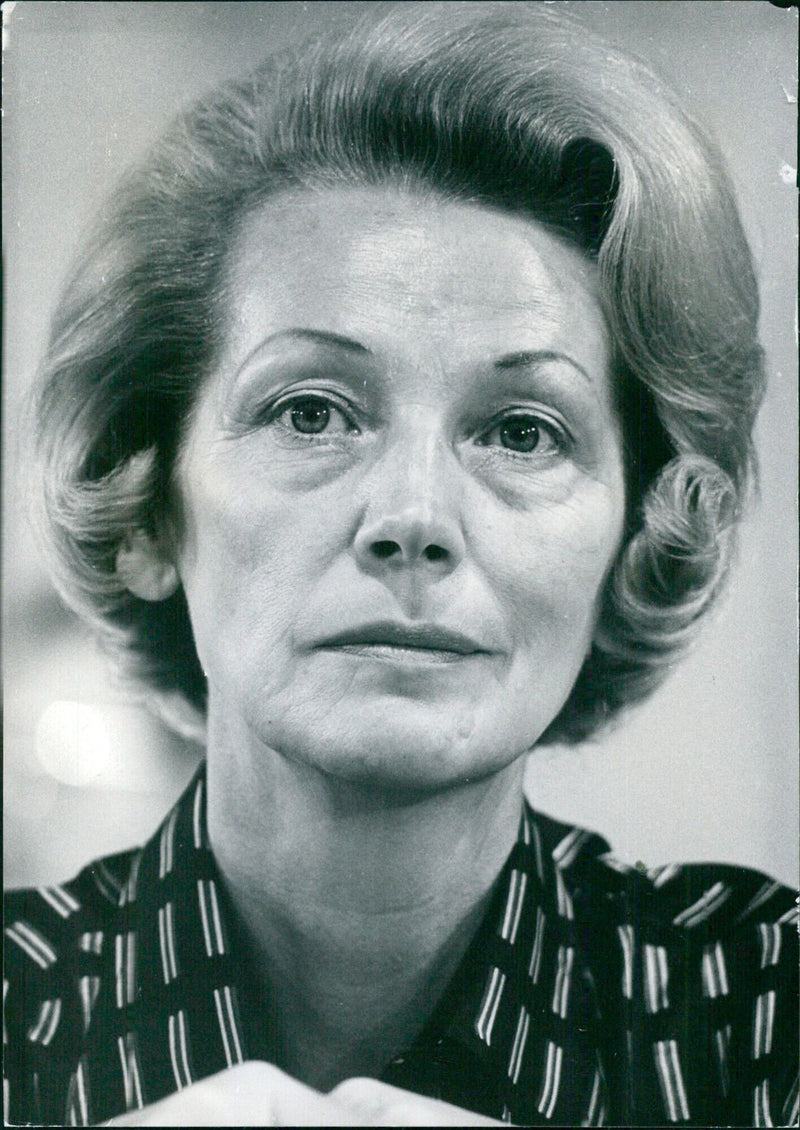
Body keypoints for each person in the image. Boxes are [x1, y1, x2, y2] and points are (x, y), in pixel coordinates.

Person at [4, 3, 797, 1125]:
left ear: (638, 532)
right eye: (313, 411)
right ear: (144, 506)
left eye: (523, 430)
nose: (412, 516)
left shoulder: (765, 1013)